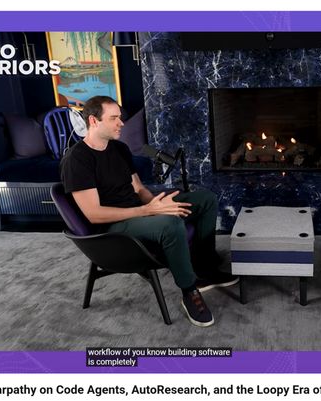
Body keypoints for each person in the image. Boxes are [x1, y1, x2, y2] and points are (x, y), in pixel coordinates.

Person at [60, 96, 238, 327]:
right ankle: (189, 290)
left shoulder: (119, 148)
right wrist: (147, 210)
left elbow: (139, 188)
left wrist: (156, 204)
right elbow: (94, 214)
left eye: (120, 117)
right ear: (94, 121)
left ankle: (205, 269)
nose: (121, 123)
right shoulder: (77, 160)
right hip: (113, 227)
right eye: (114, 118)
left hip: (139, 209)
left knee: (205, 199)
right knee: (170, 224)